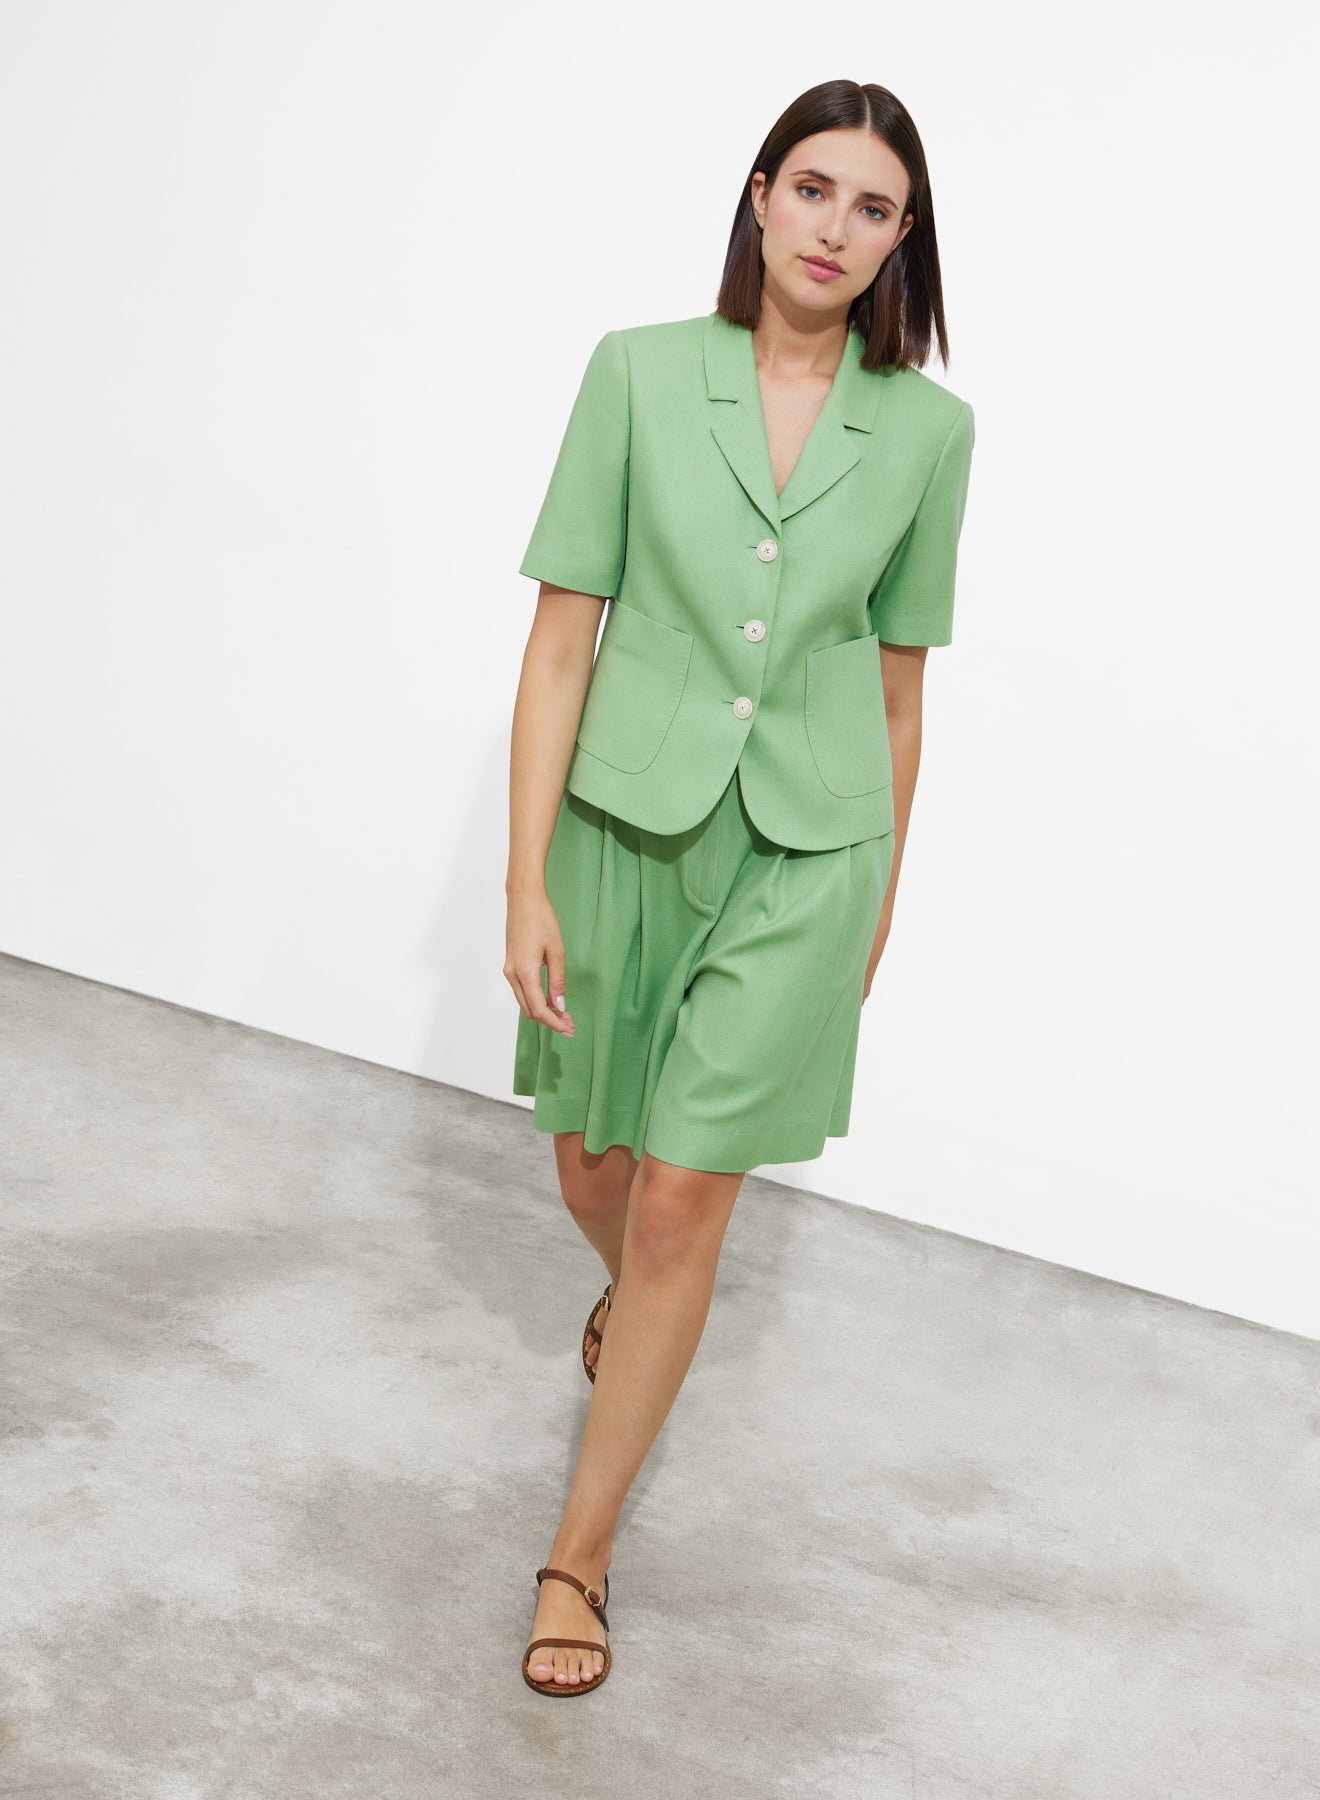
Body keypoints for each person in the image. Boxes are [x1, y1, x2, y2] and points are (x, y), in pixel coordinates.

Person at [505, 77, 976, 1696]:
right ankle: (639, 1308)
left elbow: (902, 690)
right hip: (621, 829)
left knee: (685, 1201)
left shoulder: (931, 434)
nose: (837, 228)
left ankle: (578, 1557)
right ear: (761, 195)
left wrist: (883, 894)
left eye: (875, 207)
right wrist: (524, 880)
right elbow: (559, 640)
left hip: (810, 853)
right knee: (596, 1170)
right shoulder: (638, 374)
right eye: (815, 189)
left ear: (902, 240)